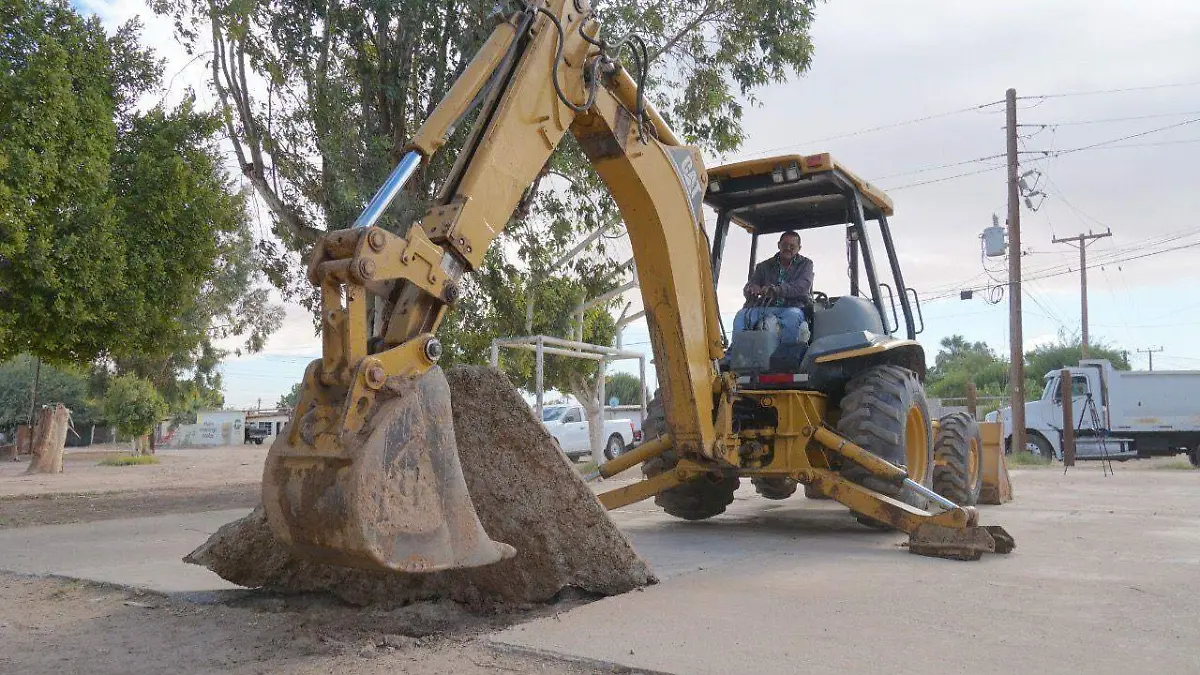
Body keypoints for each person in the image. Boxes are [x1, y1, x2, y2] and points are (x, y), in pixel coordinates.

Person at [734, 230, 813, 344]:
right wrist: (751, 289)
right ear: (778, 245)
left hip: (792, 307)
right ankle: (735, 355)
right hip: (765, 308)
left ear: (799, 248)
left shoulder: (806, 264)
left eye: (792, 246)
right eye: (785, 245)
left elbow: (802, 287)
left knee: (793, 318)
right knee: (742, 316)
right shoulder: (764, 266)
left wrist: (776, 290)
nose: (788, 248)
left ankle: (786, 356)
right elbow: (749, 286)